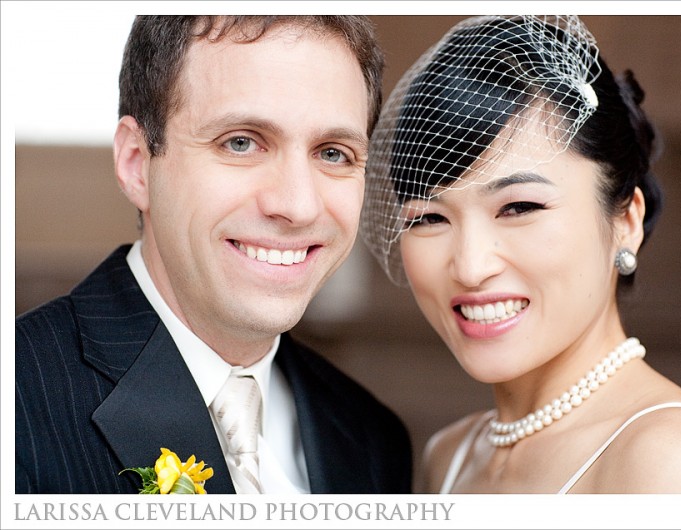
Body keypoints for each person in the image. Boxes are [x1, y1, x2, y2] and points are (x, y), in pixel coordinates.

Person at [16, 15, 412, 494]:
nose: (297, 205)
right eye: (241, 143)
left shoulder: (374, 439)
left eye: (333, 153)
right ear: (137, 165)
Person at [360, 15, 681, 493]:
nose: (471, 267)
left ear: (626, 220)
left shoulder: (673, 463)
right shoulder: (448, 457)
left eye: (519, 207)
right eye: (429, 218)